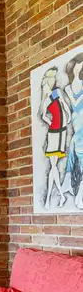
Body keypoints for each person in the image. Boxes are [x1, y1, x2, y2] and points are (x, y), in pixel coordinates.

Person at [39, 67, 71, 209]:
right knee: (53, 166)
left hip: (61, 132)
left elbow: (64, 106)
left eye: (47, 84)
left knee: (54, 167)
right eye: (45, 86)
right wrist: (50, 122)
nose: (46, 88)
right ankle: (59, 197)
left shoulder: (56, 92)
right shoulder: (46, 101)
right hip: (54, 133)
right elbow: (43, 116)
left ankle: (52, 199)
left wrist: (68, 116)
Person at [63, 53, 83, 209]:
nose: (79, 68)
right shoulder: (68, 88)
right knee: (75, 149)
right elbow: (75, 102)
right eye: (77, 65)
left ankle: (79, 194)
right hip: (77, 120)